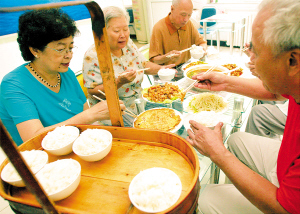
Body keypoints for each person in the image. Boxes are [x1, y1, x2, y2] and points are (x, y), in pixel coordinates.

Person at [186, 0, 300, 213]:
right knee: (236, 139)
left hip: (287, 203)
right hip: (286, 162)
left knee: (206, 195)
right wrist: (225, 82)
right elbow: (274, 92)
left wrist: (219, 154)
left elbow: (284, 208)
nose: (251, 60)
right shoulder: (296, 80)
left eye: (256, 51)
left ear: (292, 60)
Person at [0, 9, 125, 148]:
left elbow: (86, 116)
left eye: (70, 48)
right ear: (35, 50)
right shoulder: (13, 85)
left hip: (77, 146)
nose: (69, 55)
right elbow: (33, 138)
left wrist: (104, 133)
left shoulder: (66, 73)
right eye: (60, 49)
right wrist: (91, 115)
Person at [82, 6, 174, 127]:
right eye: (116, 31)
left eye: (126, 29)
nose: (123, 35)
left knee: (169, 116)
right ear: (102, 31)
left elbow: (144, 64)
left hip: (138, 105)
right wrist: (119, 82)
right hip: (113, 114)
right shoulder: (93, 55)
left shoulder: (129, 44)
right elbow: (93, 91)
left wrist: (161, 69)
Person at [149, 0, 207, 80]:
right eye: (183, 15)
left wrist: (202, 49)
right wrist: (168, 57)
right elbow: (154, 60)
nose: (186, 19)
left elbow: (202, 42)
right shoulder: (159, 28)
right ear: (172, 9)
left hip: (185, 67)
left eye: (189, 15)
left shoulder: (188, 24)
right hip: (166, 72)